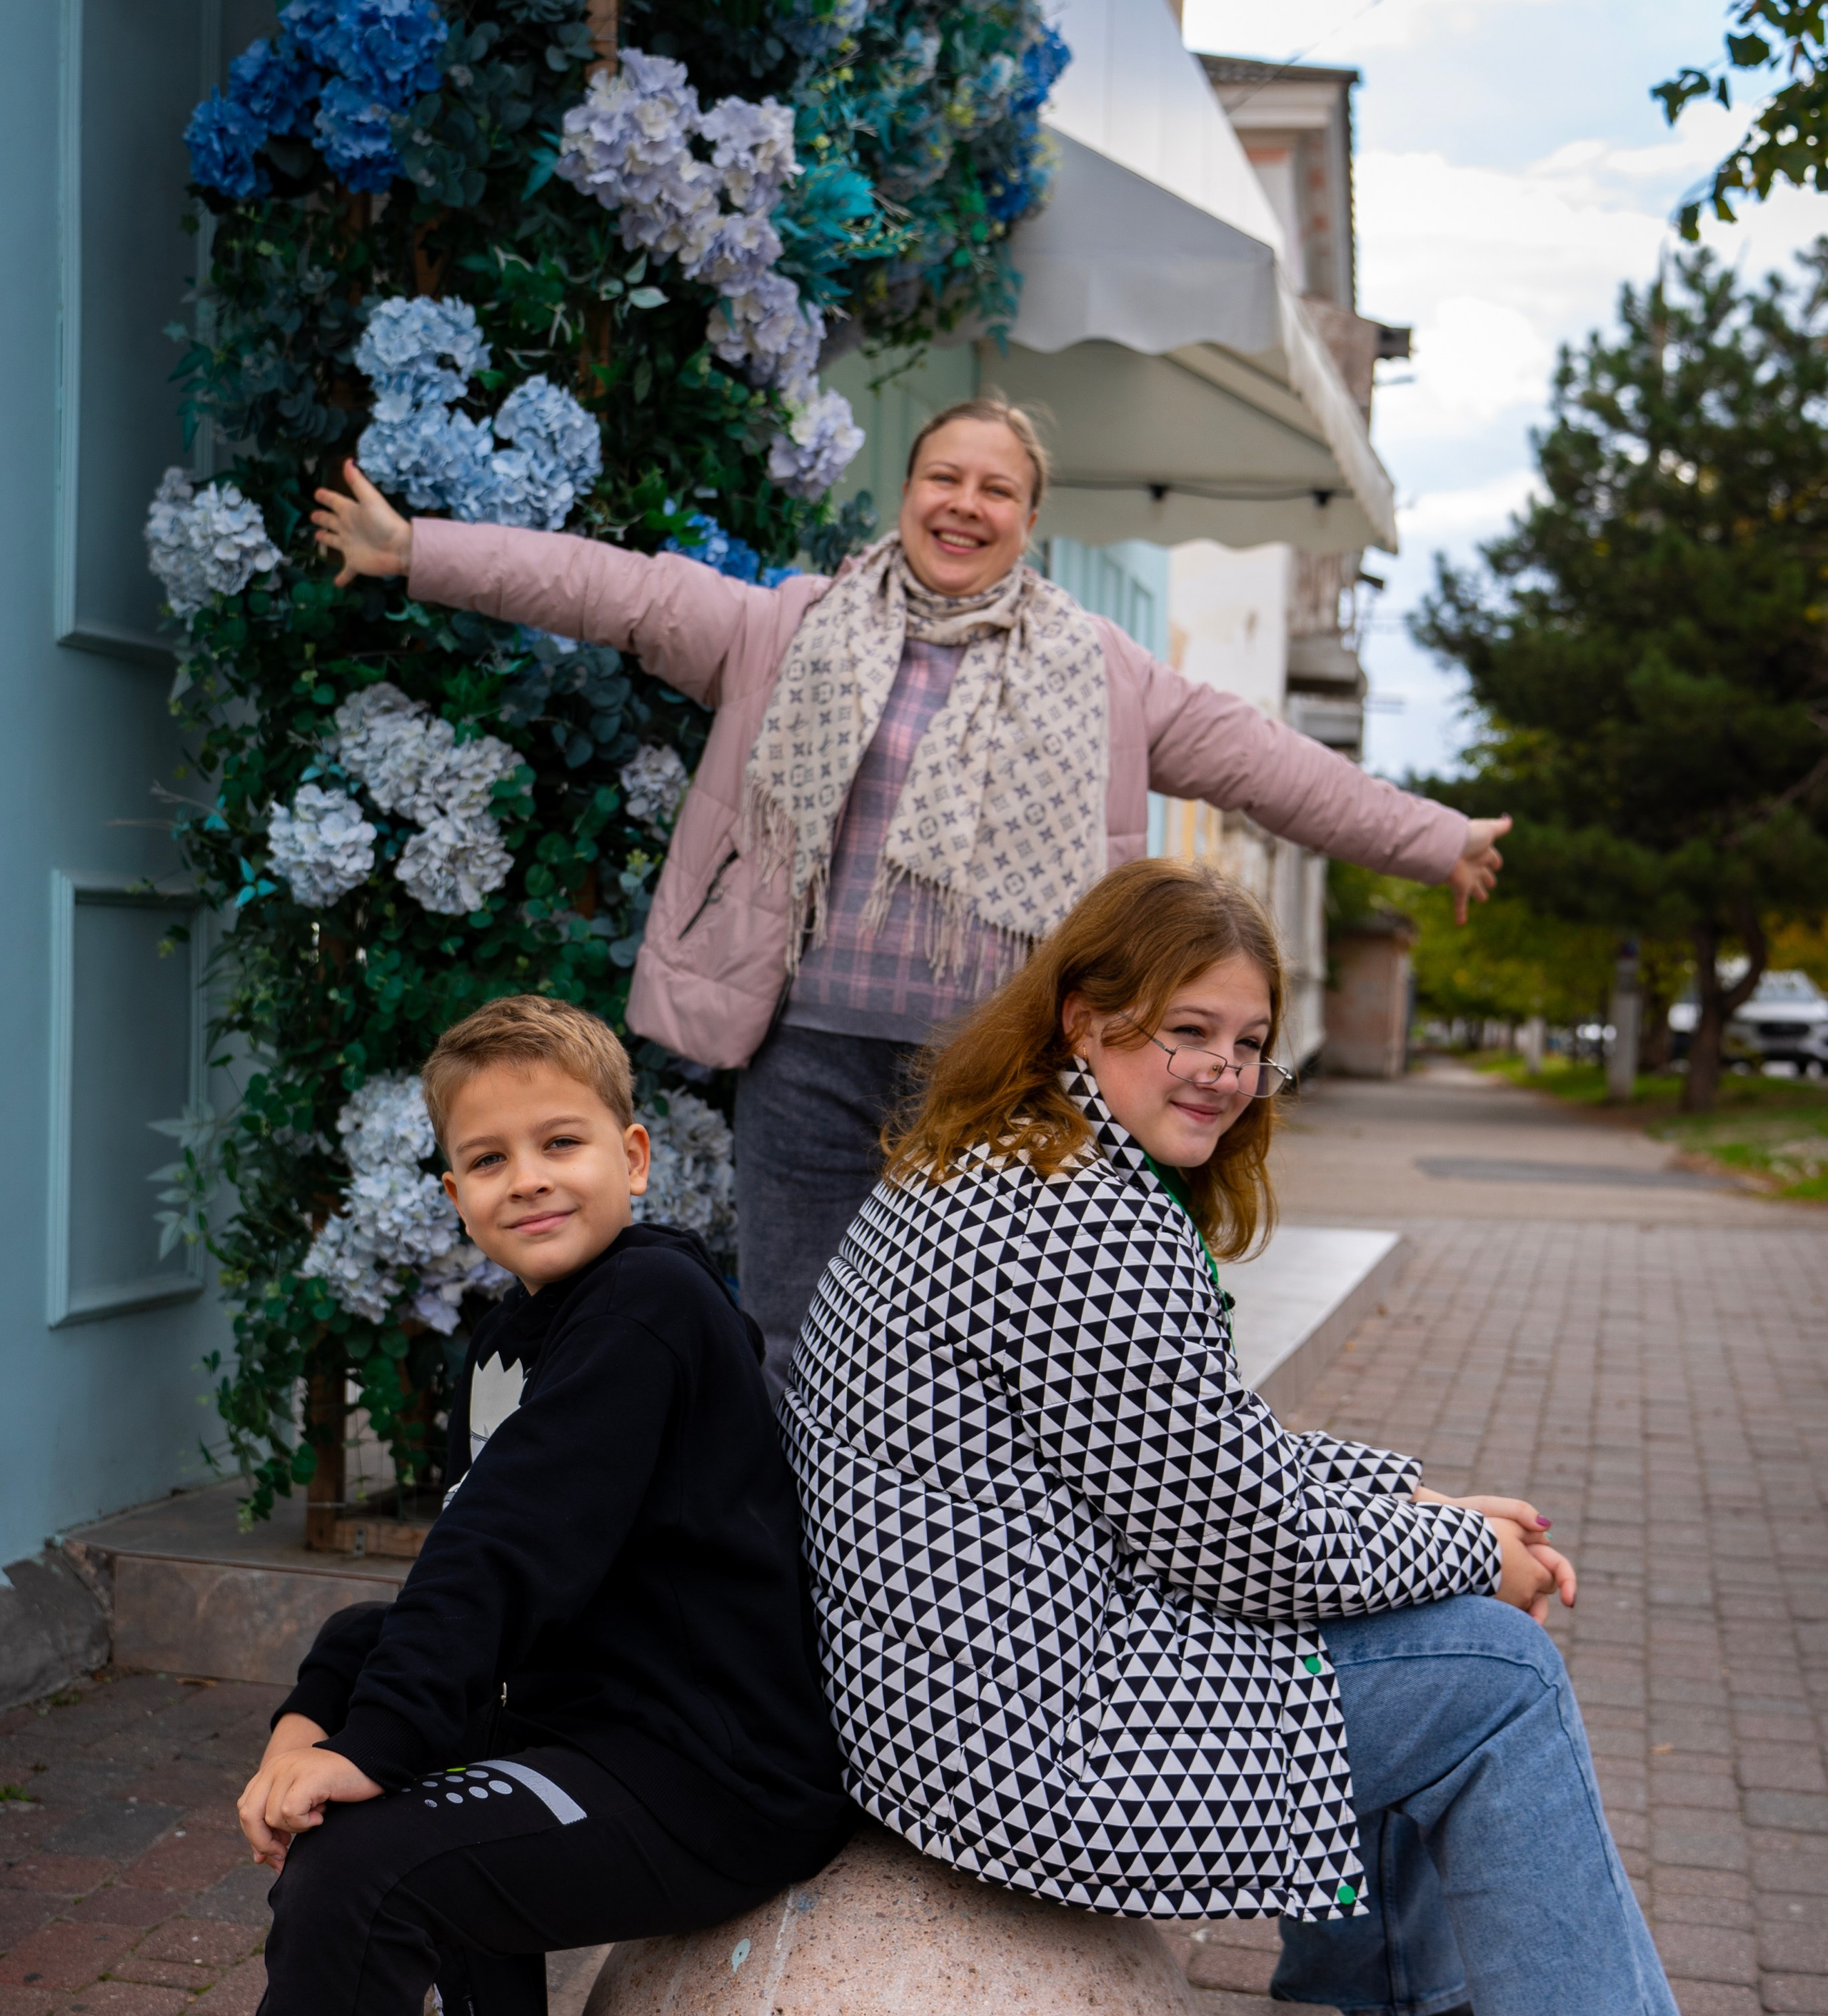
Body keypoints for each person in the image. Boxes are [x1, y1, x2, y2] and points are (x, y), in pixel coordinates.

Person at [780, 858, 1828, 2016]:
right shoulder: (1076, 1218)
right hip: (1022, 1741)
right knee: (1491, 1673)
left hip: (968, 1683)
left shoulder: (1016, 1162)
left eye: (1242, 1039)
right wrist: (1478, 1556)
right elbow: (1246, 1547)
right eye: (1181, 1031)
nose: (1218, 1071)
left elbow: (1207, 1456)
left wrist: (1421, 1501)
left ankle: (1385, 1992)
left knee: (1422, 1618)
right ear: (1085, 1021)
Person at [26, 997, 855, 2016]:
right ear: (455, 1193)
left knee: (368, 1864)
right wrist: (309, 1711)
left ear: (637, 1155)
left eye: (561, 1143)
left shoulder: (655, 1309)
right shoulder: (525, 1336)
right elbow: (451, 1576)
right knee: (369, 1806)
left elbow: (507, 1558)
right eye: (487, 1159)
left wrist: (370, 1740)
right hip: (591, 1737)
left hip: (712, 1778)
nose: (528, 1178)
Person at [309, 398, 1512, 1384]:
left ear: (1030, 519)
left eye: (996, 488)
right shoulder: (788, 628)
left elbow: (1274, 767)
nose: (965, 504)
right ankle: (784, 1618)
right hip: (812, 1051)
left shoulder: (1103, 673)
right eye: (945, 476)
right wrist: (417, 550)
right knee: (793, 1333)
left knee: (979, 1348)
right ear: (909, 491)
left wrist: (1436, 837)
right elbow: (609, 589)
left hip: (995, 1073)